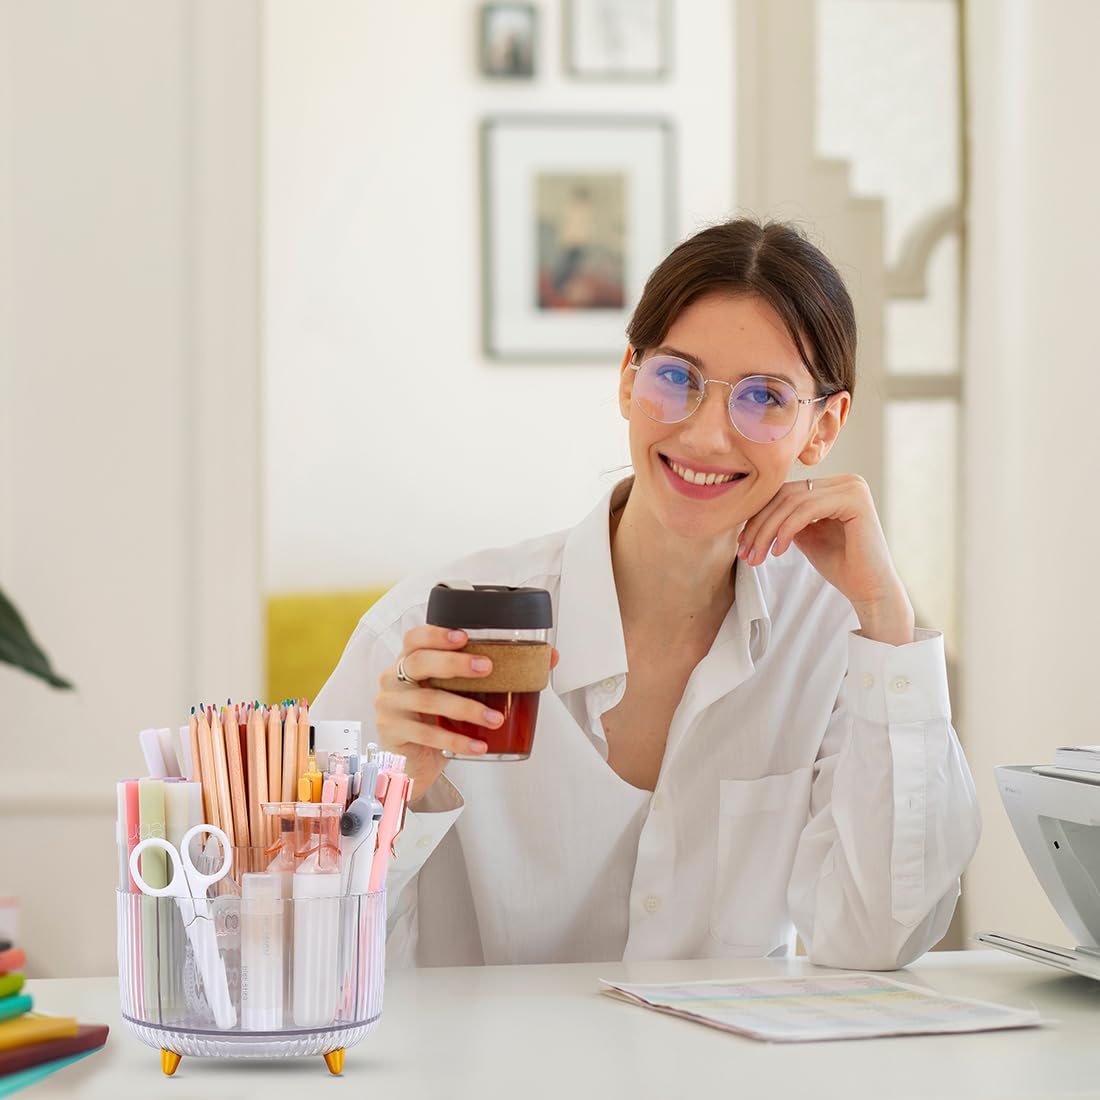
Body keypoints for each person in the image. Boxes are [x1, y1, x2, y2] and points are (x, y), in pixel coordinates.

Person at [313, 218, 981, 970]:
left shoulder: (832, 636)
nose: (706, 436)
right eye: (677, 379)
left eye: (764, 397)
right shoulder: (418, 642)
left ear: (823, 427)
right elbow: (292, 947)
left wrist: (887, 617)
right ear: (629, 379)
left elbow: (880, 934)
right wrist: (388, 795)